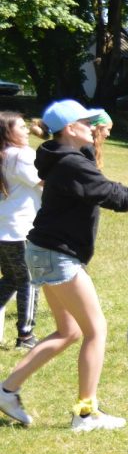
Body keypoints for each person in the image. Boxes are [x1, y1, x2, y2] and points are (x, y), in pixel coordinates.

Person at [0, 99, 128, 430]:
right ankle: (84, 414)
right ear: (69, 129)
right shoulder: (69, 163)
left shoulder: (65, 157)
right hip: (56, 254)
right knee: (96, 330)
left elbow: (114, 193)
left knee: (70, 331)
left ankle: (6, 390)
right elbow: (122, 201)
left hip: (44, 250)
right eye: (86, 121)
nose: (93, 126)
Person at [0, 112, 43, 350]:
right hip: (21, 228)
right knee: (29, 281)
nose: (27, 130)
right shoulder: (21, 156)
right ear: (8, 133)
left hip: (4, 227)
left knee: (12, 279)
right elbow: (43, 182)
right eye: (21, 127)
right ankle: (25, 336)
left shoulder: (4, 155)